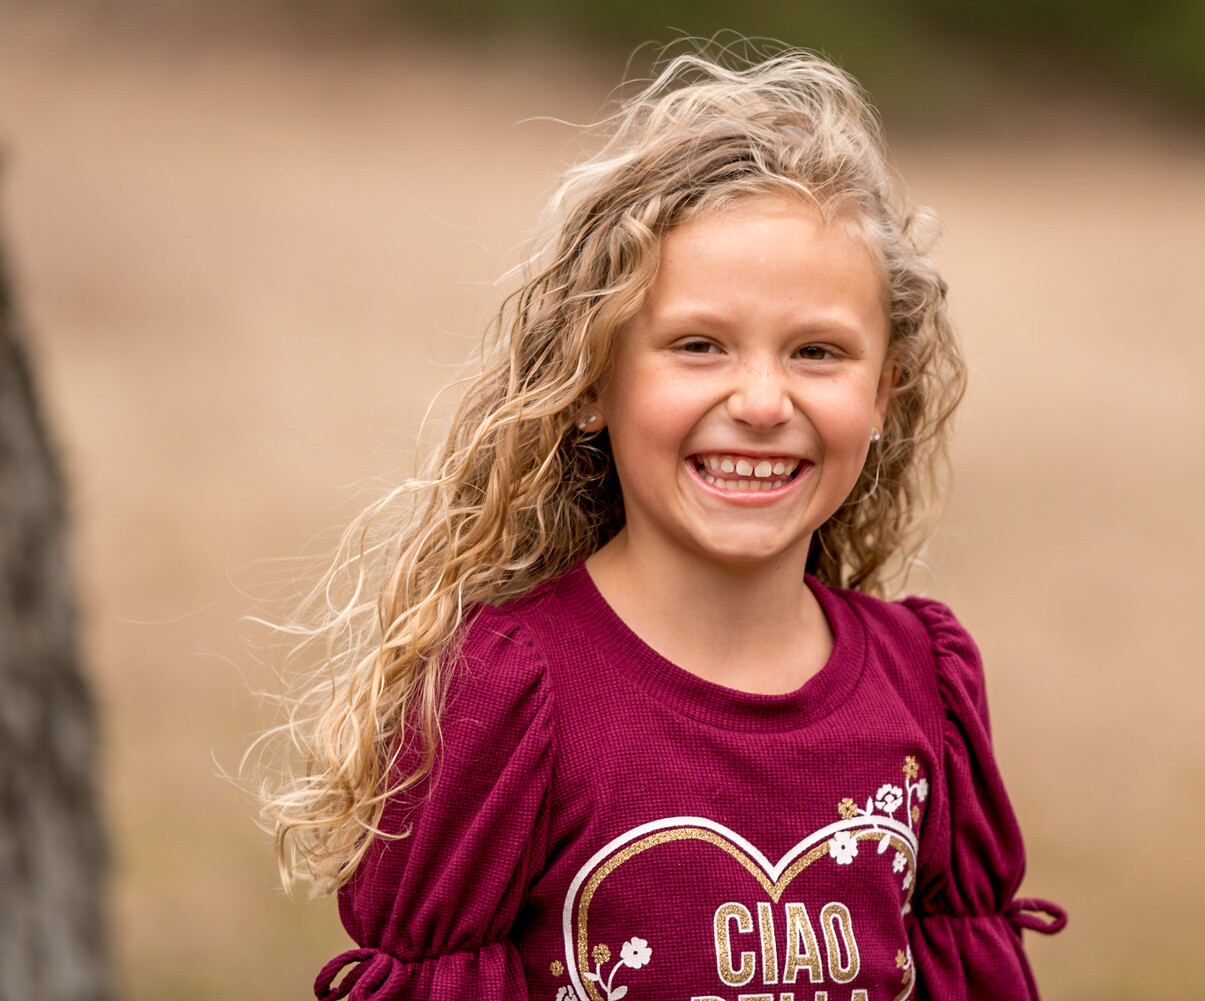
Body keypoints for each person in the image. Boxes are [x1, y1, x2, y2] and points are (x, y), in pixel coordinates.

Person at [261, 43, 1065, 1001]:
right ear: (593, 379)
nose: (762, 401)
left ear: (885, 391)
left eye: (817, 351)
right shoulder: (509, 694)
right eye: (698, 345)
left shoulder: (922, 685)